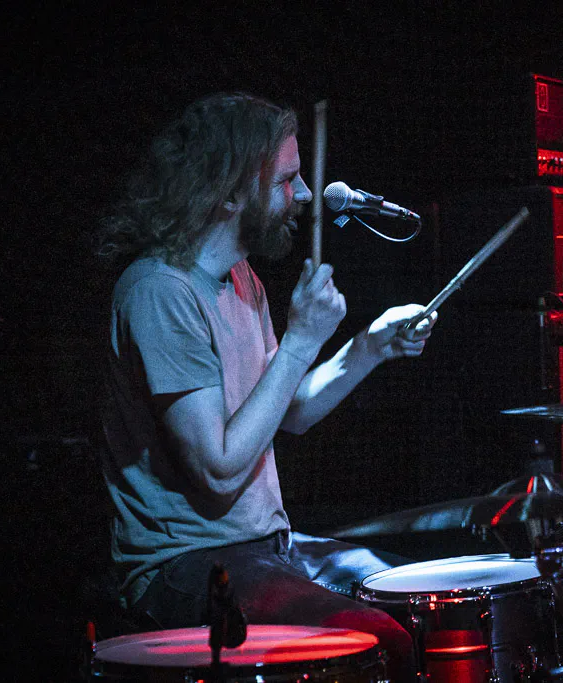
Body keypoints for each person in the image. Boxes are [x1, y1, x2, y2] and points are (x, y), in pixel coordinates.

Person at [95, 92, 434, 677]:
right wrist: (301, 340)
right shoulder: (160, 292)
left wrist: (369, 347)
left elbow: (287, 409)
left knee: (420, 599)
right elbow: (219, 469)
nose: (304, 195)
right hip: (187, 564)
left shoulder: (241, 277)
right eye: (286, 180)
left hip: (265, 548)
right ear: (229, 192)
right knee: (380, 638)